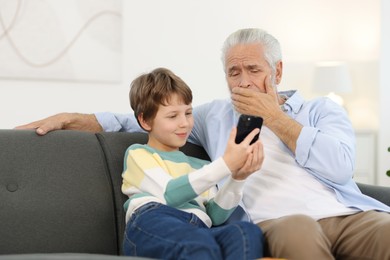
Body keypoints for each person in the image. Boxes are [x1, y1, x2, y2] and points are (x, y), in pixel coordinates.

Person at [16, 28, 390, 259]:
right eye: (233, 72)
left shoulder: (320, 109)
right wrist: (75, 118)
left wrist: (275, 117)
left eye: (254, 70)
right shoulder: (213, 116)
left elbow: (340, 167)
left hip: (347, 214)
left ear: (277, 71)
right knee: (300, 232)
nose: (242, 82)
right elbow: (147, 118)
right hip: (281, 222)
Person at [120, 67, 264, 259]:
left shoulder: (200, 166)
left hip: (199, 226)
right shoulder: (139, 154)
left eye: (188, 113)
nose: (185, 123)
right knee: (198, 244)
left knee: (246, 233)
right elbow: (170, 194)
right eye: (173, 116)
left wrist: (238, 178)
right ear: (145, 121)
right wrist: (225, 164)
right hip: (154, 220)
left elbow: (215, 216)